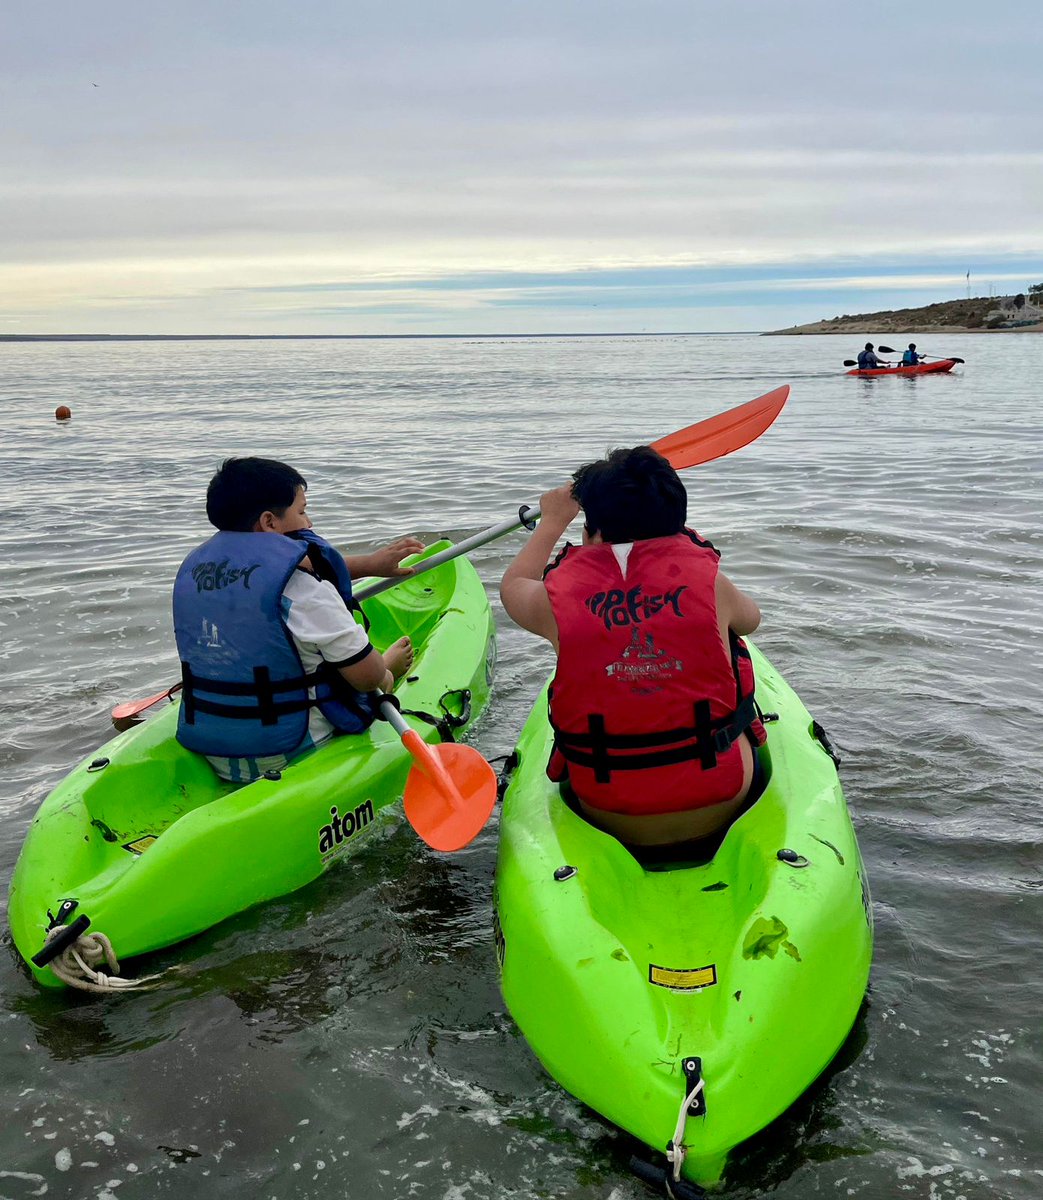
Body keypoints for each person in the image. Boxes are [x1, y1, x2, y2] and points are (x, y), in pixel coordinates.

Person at [499, 446, 766, 848]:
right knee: (731, 644)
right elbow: (751, 620)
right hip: (720, 797)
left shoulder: (554, 601)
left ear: (592, 533)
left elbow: (513, 585)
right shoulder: (711, 584)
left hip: (606, 804)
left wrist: (552, 521)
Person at [173, 456, 423, 783]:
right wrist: (383, 670)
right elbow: (365, 679)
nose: (309, 522)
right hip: (292, 748)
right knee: (374, 674)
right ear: (269, 522)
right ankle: (392, 668)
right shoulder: (308, 592)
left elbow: (269, 577)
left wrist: (370, 564)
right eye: (302, 511)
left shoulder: (200, 576)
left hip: (215, 745)